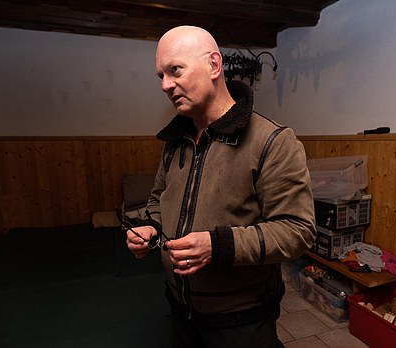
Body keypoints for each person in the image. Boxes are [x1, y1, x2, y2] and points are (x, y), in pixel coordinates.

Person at [125, 25, 316, 348]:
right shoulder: (176, 141)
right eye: (161, 76)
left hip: (241, 319)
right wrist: (150, 226)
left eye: (175, 71)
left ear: (214, 65)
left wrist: (219, 245)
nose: (165, 85)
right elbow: (159, 199)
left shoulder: (272, 141)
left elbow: (298, 230)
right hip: (181, 309)